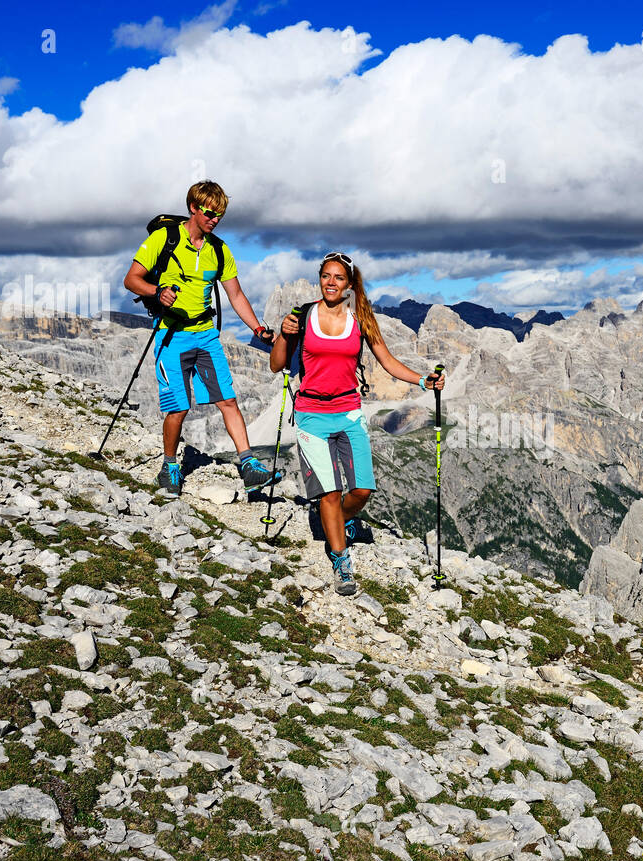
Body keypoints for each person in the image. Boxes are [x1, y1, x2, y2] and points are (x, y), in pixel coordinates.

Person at [270, 251, 445, 595]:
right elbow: (277, 365)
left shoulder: (361, 319)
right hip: (311, 415)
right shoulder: (303, 317)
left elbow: (389, 362)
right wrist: (283, 334)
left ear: (349, 284)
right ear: (319, 279)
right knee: (330, 493)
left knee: (362, 490)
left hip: (349, 412)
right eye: (326, 276)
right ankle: (341, 561)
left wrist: (422, 381)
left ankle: (340, 522)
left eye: (338, 278)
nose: (331, 283)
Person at [122, 181, 281, 497]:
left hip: (206, 335)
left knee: (228, 400)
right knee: (179, 407)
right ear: (193, 208)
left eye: (220, 215)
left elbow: (235, 294)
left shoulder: (218, 250)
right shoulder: (163, 239)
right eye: (210, 213)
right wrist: (157, 292)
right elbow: (131, 280)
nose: (215, 220)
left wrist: (256, 329)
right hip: (172, 336)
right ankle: (169, 466)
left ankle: (249, 466)